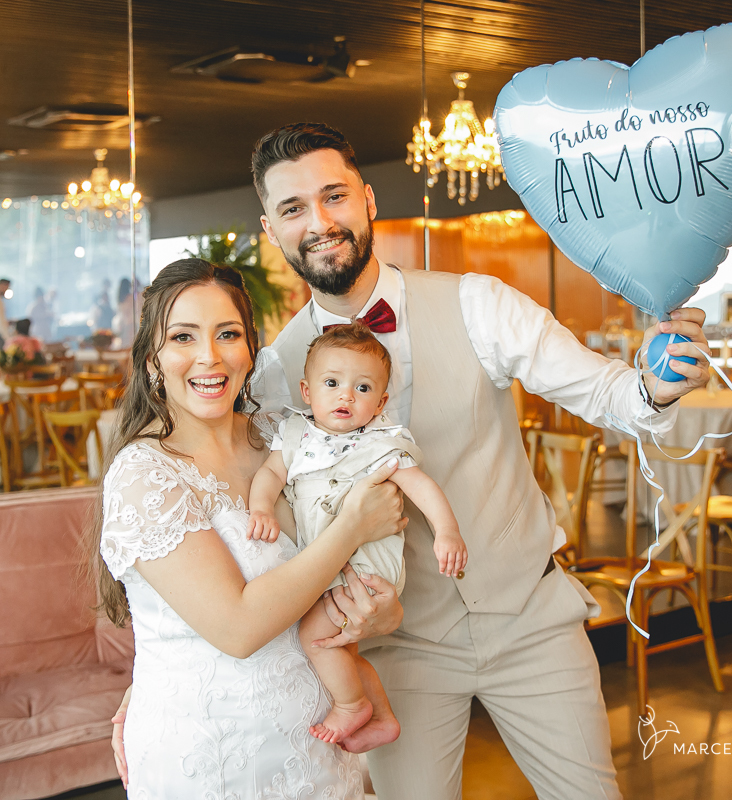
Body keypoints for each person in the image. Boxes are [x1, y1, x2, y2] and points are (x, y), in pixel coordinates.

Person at [239, 122, 708, 799]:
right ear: (271, 228)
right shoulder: (275, 376)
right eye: (293, 208)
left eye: (334, 196)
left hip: (531, 618)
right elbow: (269, 526)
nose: (319, 222)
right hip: (395, 644)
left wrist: (654, 387)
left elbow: (604, 390)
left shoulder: (476, 302)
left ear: (368, 199)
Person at [90, 258, 407, 796]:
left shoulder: (284, 437)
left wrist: (381, 613)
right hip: (213, 756)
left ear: (251, 350)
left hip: (321, 744)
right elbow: (236, 628)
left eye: (228, 334)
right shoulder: (145, 475)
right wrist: (351, 529)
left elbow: (351, 564)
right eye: (183, 337)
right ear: (152, 360)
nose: (209, 357)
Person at [247, 322, 466, 745]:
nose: (346, 395)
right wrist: (261, 507)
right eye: (332, 383)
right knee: (340, 646)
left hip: (363, 566)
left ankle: (352, 705)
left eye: (362, 388)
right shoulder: (295, 434)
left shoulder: (381, 442)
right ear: (307, 391)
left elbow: (421, 486)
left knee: (315, 637)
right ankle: (382, 717)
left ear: (381, 401)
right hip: (328, 561)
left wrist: (447, 531)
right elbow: (271, 474)